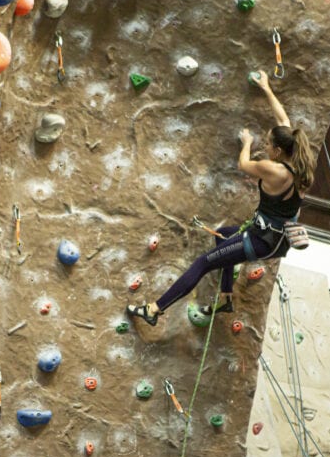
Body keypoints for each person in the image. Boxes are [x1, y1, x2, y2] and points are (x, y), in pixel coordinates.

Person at [127, 70, 317, 326]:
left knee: (203, 263)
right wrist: (266, 88)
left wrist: (247, 142)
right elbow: (282, 118)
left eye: (269, 144)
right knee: (222, 235)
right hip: (272, 237)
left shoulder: (273, 170)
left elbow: (244, 164)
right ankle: (226, 297)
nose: (267, 145)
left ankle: (154, 310)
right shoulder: (297, 161)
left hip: (260, 241)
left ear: (278, 151)